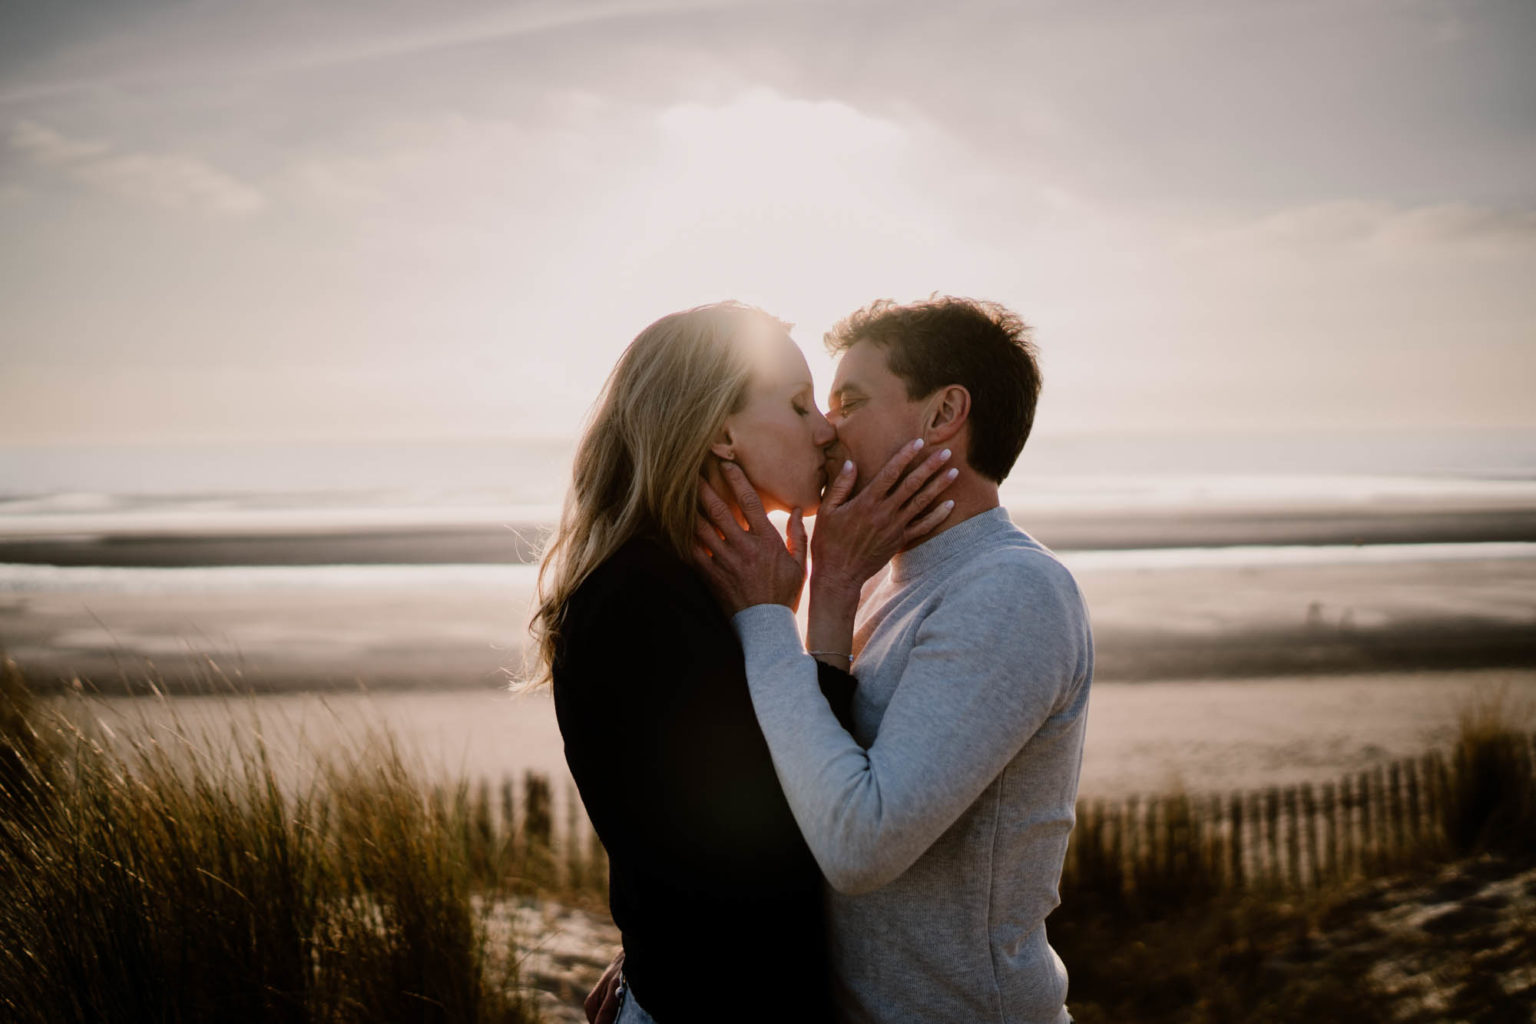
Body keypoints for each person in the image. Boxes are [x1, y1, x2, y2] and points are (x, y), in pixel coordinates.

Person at [530, 301, 956, 1024]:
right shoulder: (639, 601)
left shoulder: (699, 580)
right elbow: (787, 839)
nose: (825, 429)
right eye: (797, 406)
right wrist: (832, 598)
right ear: (723, 433)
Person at [692, 296, 1094, 1024]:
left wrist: (763, 620)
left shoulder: (1012, 591)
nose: (823, 428)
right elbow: (806, 785)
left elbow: (859, 845)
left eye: (848, 401)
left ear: (944, 415)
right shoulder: (880, 576)